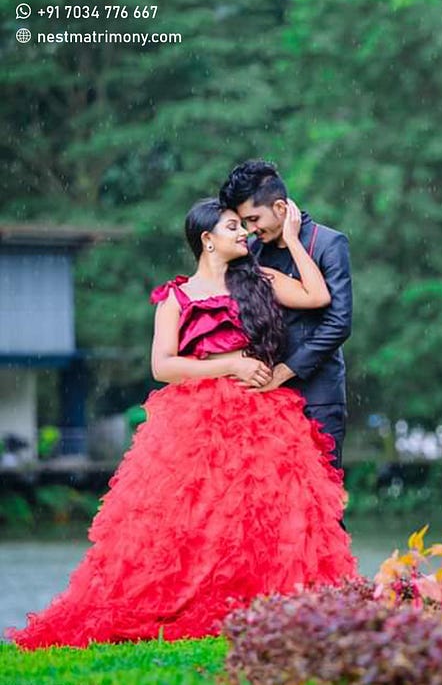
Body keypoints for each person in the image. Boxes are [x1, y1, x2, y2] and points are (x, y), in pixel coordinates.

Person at [7, 198, 357, 650]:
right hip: (197, 419)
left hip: (264, 415)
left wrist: (290, 238)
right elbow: (163, 366)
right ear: (207, 239)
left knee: (264, 511)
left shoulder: (261, 281)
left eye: (243, 226)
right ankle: (193, 596)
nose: (244, 233)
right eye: (233, 227)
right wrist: (229, 364)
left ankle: (266, 599)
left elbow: (318, 297)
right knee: (193, 513)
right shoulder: (176, 297)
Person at [220, 160, 352, 468]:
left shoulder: (329, 243)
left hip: (318, 397)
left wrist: (284, 371)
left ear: (280, 207)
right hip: (264, 397)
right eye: (244, 222)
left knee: (322, 491)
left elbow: (339, 323)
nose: (250, 230)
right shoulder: (253, 252)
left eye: (254, 219)